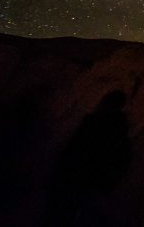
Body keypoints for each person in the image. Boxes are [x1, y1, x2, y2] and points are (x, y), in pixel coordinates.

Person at [41, 90, 131, 226]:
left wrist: (60, 170)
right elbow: (121, 161)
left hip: (74, 180)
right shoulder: (120, 133)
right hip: (89, 185)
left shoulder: (92, 123)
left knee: (58, 215)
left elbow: (73, 148)